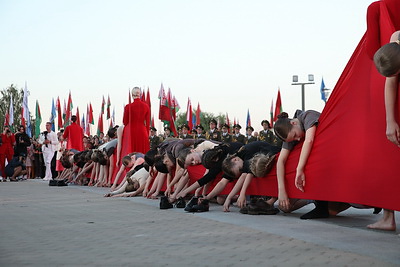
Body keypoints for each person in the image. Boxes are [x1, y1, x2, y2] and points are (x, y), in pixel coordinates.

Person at [368, 30, 400, 231]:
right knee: (388, 158)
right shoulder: (396, 37)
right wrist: (390, 121)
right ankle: (388, 217)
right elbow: (390, 83)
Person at [274, 111, 326, 220]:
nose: (297, 139)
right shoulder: (289, 133)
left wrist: (299, 169)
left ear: (293, 123)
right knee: (284, 207)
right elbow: (280, 161)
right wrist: (281, 191)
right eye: (293, 139)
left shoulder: (308, 116)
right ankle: (311, 200)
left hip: (326, 160)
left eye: (295, 136)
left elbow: (309, 140)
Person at [122, 87, 150, 155]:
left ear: (132, 95)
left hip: (131, 131)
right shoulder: (146, 106)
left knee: (132, 153)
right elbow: (148, 122)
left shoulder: (128, 107)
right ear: (140, 94)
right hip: (143, 131)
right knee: (143, 153)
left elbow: (125, 122)